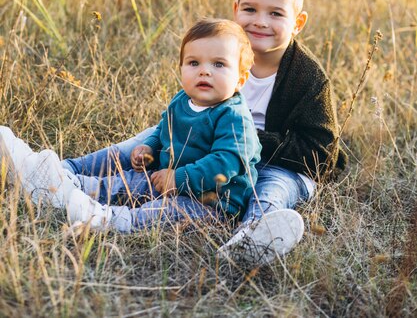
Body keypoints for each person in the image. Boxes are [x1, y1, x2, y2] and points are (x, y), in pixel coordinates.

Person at [61, 0, 347, 263]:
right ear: (236, 10)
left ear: (297, 23)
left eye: (276, 13)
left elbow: (322, 153)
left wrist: (245, 139)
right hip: (213, 145)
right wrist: (161, 143)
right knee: (146, 139)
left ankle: (253, 236)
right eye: (250, 9)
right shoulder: (221, 55)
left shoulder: (308, 77)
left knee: (272, 190)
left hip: (283, 164)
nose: (260, 21)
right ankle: (66, 172)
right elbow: (184, 113)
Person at [0, 19, 263, 235]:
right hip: (166, 178)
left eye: (219, 64)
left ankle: (109, 220)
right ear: (181, 68)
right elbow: (164, 131)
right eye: (194, 63)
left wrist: (179, 178)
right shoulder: (182, 100)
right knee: (126, 184)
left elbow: (225, 162)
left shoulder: (234, 117)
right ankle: (61, 184)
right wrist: (149, 146)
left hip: (212, 202)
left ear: (240, 79)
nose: (204, 71)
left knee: (164, 213)